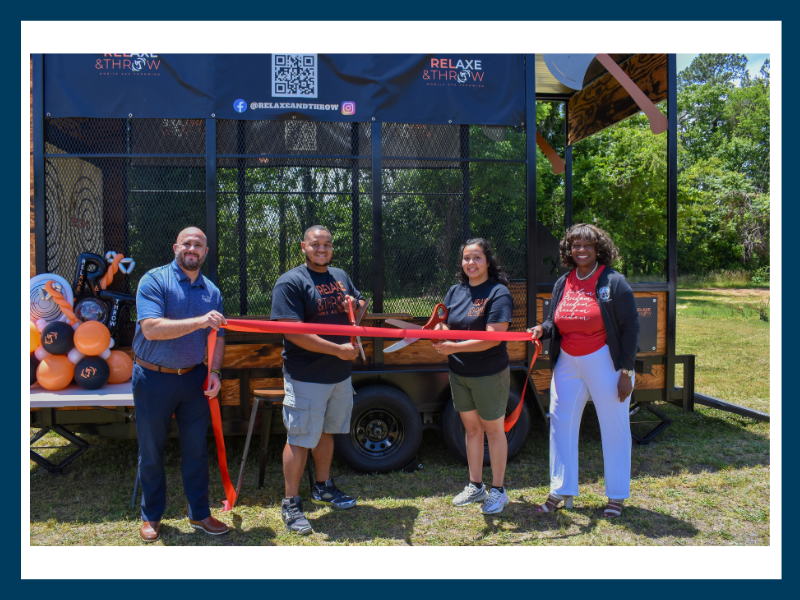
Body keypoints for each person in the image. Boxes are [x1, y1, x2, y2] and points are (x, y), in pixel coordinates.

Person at [528, 223, 639, 518]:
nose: (580, 250)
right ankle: (560, 489)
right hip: (568, 361)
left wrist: (626, 372)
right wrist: (542, 328)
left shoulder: (614, 281)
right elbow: (555, 321)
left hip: (605, 360)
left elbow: (630, 327)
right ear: (568, 250)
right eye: (575, 245)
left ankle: (616, 495)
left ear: (598, 248)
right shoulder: (564, 282)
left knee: (614, 427)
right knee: (560, 422)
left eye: (587, 245)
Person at [132, 227, 229, 542]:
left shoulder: (211, 291)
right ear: (176, 247)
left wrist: (214, 371)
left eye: (198, 245)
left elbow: (218, 336)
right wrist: (201, 321)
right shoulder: (155, 280)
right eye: (187, 243)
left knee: (196, 450)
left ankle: (200, 513)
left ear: (205, 252)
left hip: (193, 379)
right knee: (151, 449)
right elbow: (151, 329)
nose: (192, 248)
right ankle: (152, 516)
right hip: (152, 377)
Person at [270, 225, 366, 535]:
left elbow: (358, 309)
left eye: (326, 244)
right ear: (303, 246)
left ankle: (323, 486)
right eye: (315, 244)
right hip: (306, 376)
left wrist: (357, 309)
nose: (321, 248)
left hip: (338, 376)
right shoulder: (290, 282)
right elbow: (293, 332)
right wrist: (338, 350)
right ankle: (291, 502)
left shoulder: (340, 275)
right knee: (299, 438)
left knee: (327, 431)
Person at [432, 238, 514, 515]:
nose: (471, 263)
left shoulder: (498, 292)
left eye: (477, 258)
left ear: (487, 261)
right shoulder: (455, 291)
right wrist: (441, 330)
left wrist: (453, 346)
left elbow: (493, 338)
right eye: (466, 258)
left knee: (494, 429)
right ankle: (476, 485)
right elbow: (444, 319)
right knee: (472, 429)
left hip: (489, 373)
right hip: (459, 372)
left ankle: (499, 490)